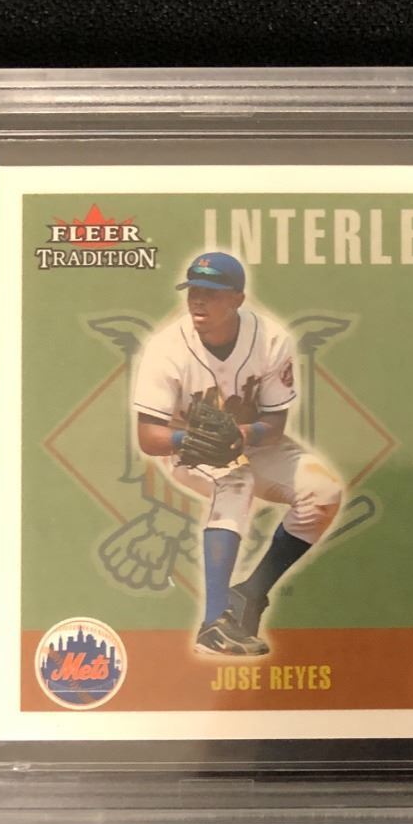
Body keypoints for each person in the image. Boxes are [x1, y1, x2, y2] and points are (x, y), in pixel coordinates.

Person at [132, 251, 342, 656]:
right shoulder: (166, 348)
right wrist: (189, 440)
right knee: (235, 480)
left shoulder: (271, 340)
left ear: (237, 299)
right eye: (193, 290)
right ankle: (214, 624)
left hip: (251, 441)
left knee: (323, 492)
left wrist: (245, 434)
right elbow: (148, 436)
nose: (198, 300)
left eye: (211, 292)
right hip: (190, 448)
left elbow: (275, 424)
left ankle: (251, 593)